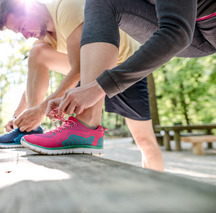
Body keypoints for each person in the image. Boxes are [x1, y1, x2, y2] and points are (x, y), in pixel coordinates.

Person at [21, 0, 215, 162]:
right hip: (196, 26)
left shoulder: (64, 11)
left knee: (145, 141)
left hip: (201, 25)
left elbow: (177, 32)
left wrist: (97, 87)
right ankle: (85, 126)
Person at [0, 0, 164, 171]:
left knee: (144, 141)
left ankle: (158, 187)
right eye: (19, 33)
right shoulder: (44, 36)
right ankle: (28, 129)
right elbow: (34, 81)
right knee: (37, 53)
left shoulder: (67, 8)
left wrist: (41, 110)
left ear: (32, 7)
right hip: (90, 71)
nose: (25, 35)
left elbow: (80, 69)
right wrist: (19, 117)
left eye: (22, 27)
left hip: (123, 68)